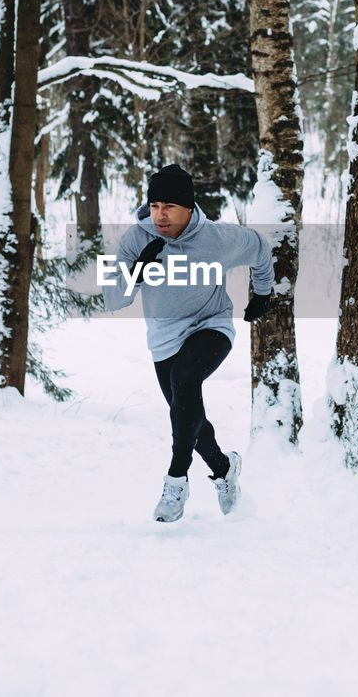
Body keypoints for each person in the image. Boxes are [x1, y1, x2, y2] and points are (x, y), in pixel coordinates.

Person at [102, 164, 274, 522]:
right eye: (154, 206)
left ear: (189, 207)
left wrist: (263, 292)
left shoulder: (218, 238)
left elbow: (260, 247)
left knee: (185, 381)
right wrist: (137, 271)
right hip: (164, 339)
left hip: (211, 326)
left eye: (170, 207)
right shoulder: (135, 239)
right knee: (189, 415)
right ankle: (225, 469)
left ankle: (176, 480)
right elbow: (112, 299)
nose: (160, 215)